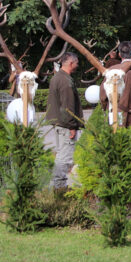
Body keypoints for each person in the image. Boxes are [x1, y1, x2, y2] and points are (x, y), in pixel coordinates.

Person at [46, 52, 82, 189]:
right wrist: (72, 126)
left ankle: (58, 184)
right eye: (77, 63)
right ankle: (59, 186)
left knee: (61, 153)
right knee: (65, 155)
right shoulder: (66, 81)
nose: (77, 66)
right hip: (65, 124)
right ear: (71, 63)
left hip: (59, 122)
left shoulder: (57, 77)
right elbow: (67, 106)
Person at [100, 41, 131, 127]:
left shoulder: (111, 71)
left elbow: (103, 96)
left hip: (115, 114)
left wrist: (104, 108)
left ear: (120, 55)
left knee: (117, 138)